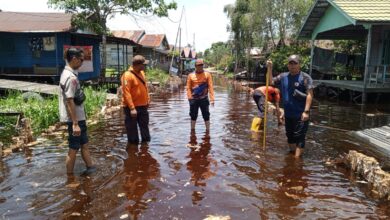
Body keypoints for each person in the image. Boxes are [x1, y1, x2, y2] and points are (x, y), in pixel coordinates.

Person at [268, 55, 314, 158]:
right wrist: (270, 68)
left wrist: (306, 111)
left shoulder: (305, 78)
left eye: (295, 63)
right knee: (290, 137)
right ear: (288, 65)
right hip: (288, 114)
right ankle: (293, 156)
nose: (292, 66)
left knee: (300, 138)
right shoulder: (283, 76)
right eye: (290, 63)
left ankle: (296, 162)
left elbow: (310, 94)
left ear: (299, 65)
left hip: (301, 114)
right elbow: (271, 82)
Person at [59, 47, 96, 175]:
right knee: (73, 148)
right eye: (81, 60)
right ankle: (69, 177)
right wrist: (75, 124)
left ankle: (91, 167)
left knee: (84, 144)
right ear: (74, 59)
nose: (82, 63)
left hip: (79, 118)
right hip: (75, 120)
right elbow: (69, 100)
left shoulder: (71, 74)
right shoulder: (70, 77)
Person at [121, 55, 151, 144]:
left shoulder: (142, 73)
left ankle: (145, 149)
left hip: (143, 106)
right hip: (132, 108)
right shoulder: (127, 75)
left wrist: (147, 100)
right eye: (143, 64)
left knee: (145, 128)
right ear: (138, 65)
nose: (145, 66)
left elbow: (145, 87)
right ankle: (133, 153)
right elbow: (126, 93)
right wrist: (132, 108)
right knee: (132, 131)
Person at [186, 59, 215, 131]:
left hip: (204, 99)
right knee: (193, 116)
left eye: (201, 65)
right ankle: (192, 132)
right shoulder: (190, 75)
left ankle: (208, 132)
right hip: (193, 99)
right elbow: (188, 88)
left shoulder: (207, 74)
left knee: (206, 116)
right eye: (198, 66)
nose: (200, 67)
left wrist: (212, 99)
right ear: (195, 66)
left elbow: (210, 87)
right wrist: (190, 99)